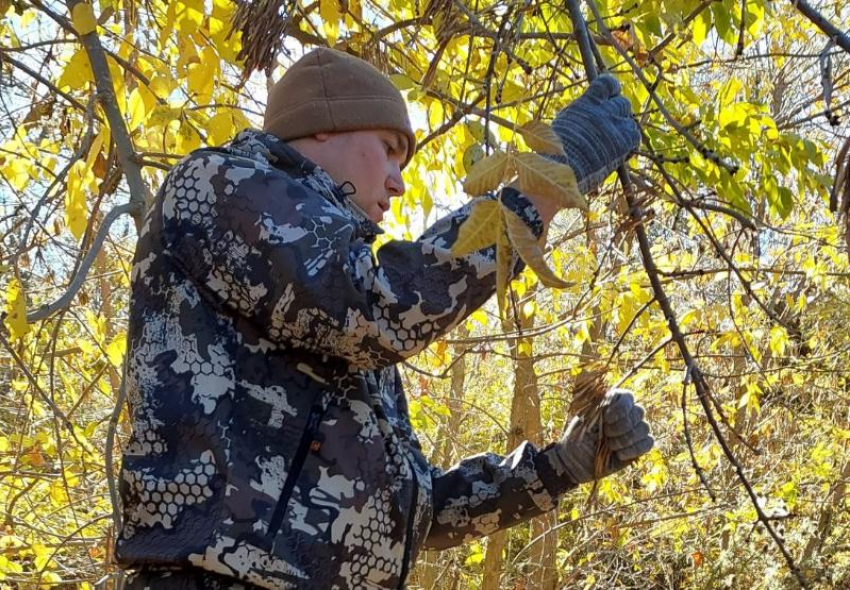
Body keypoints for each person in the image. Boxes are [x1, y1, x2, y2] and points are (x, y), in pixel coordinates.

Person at [116, 48, 653, 590]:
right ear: (324, 125)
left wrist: (564, 463)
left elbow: (414, 509)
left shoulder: (332, 315)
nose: (398, 183)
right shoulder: (219, 184)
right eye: (390, 150)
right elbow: (381, 303)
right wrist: (543, 185)